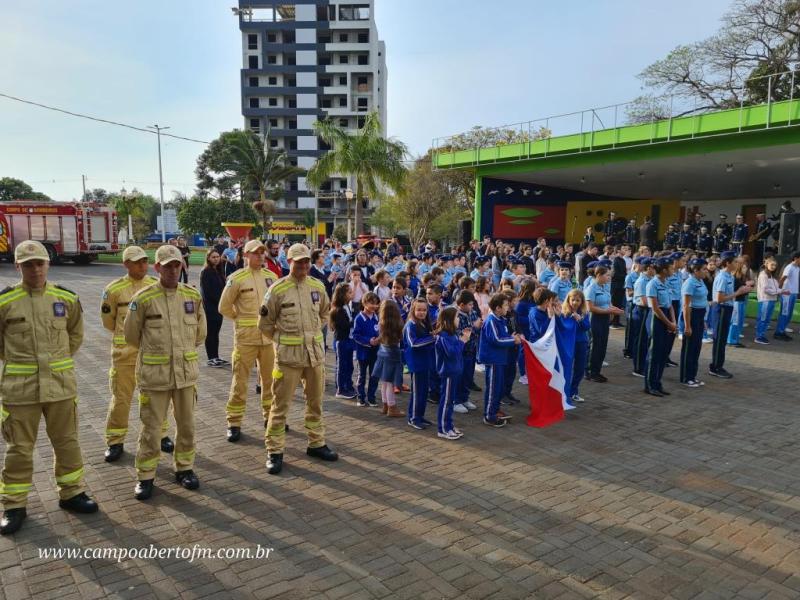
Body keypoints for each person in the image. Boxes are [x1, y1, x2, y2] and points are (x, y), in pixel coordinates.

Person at [0, 241, 98, 535]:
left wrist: (55, 361)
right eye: (28, 264)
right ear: (18, 266)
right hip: (20, 389)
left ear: (48, 264)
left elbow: (75, 335)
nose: (36, 269)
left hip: (59, 386)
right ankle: (14, 504)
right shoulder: (5, 302)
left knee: (67, 441)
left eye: (40, 263)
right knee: (18, 448)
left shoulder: (65, 298)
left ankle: (72, 493)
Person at [124, 244, 207, 500]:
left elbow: (200, 333)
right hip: (155, 376)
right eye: (167, 266)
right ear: (157, 267)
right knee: (151, 429)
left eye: (176, 265)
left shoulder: (192, 296)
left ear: (182, 266)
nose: (172, 270)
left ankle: (184, 468)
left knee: (187, 426)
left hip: (184, 374)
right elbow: (131, 335)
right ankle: (146, 475)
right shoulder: (143, 299)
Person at [258, 243, 337, 475]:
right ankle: (274, 451)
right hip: (288, 359)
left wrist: (312, 333)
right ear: (289, 262)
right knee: (280, 406)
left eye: (306, 261)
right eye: (298, 261)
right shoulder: (277, 290)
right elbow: (265, 324)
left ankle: (316, 443)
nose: (303, 265)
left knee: (316, 403)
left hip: (314, 357)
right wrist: (282, 340)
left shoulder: (316, 285)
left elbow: (325, 312)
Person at [101, 246, 173, 463]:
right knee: (121, 399)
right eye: (136, 262)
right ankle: (115, 440)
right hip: (124, 355)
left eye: (144, 261)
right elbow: (109, 322)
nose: (142, 265)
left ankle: (161, 435)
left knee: (156, 399)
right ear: (126, 264)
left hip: (152, 354)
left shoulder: (155, 285)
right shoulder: (114, 290)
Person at [218, 239, 278, 443]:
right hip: (245, 339)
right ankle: (234, 422)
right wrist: (240, 319)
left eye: (262, 252)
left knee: (270, 381)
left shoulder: (272, 277)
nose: (260, 256)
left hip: (268, 339)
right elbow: (224, 306)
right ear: (246, 255)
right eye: (255, 253)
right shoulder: (236, 278)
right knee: (240, 382)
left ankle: (270, 416)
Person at [477, 294, 521, 427]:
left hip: (500, 359)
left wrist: (510, 336)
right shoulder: (491, 320)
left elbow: (502, 336)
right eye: (506, 305)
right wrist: (513, 340)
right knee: (493, 388)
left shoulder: (500, 319)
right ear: (497, 308)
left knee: (499, 386)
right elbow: (496, 340)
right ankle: (489, 415)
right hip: (493, 359)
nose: (508, 308)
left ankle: (495, 409)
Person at [709, 251, 752, 379]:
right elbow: (720, 298)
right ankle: (715, 367)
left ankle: (718, 365)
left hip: (727, 308)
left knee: (722, 339)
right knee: (720, 339)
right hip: (721, 308)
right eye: (734, 261)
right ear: (727, 263)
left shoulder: (729, 276)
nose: (736, 264)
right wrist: (737, 293)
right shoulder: (722, 277)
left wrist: (742, 290)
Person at [643, 258, 677, 397]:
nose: (673, 270)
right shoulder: (653, 284)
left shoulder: (666, 282)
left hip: (667, 318)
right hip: (656, 320)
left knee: (663, 353)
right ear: (664, 270)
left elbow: (670, 305)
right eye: (671, 268)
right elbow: (655, 308)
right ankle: (650, 385)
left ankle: (658, 383)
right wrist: (669, 323)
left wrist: (673, 321)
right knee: (654, 354)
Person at [434, 307, 469, 440]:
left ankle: (449, 425)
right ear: (449, 320)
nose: (459, 320)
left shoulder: (452, 333)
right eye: (456, 317)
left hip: (454, 371)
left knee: (450, 400)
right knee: (446, 401)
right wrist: (462, 341)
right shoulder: (443, 335)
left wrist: (461, 339)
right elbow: (452, 352)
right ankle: (443, 428)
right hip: (448, 372)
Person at [585, 266, 625, 382]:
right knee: (595, 345)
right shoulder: (591, 288)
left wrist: (615, 309)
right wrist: (609, 311)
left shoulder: (604, 287)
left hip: (604, 319)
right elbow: (590, 307)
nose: (609, 277)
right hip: (595, 319)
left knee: (602, 345)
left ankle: (597, 371)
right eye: (607, 275)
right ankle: (590, 372)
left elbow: (607, 303)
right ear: (599, 275)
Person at [403, 298, 435, 429]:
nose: (422, 312)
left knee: (423, 391)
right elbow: (414, 343)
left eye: (424, 310)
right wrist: (432, 338)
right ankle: (414, 418)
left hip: (425, 362)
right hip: (416, 364)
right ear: (413, 310)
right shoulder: (410, 324)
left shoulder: (424, 323)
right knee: (417, 392)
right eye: (419, 310)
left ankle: (420, 415)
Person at [680, 258, 709, 387]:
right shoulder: (690, 283)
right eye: (703, 269)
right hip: (692, 316)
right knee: (689, 348)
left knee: (696, 347)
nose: (706, 271)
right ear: (695, 270)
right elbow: (686, 306)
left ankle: (692, 375)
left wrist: (703, 321)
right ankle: (686, 377)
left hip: (699, 316)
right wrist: (687, 325)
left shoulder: (700, 281)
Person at [375, 300, 405, 417]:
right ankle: (392, 407)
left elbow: (380, 337)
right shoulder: (397, 324)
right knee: (390, 382)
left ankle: (385, 405)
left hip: (382, 352)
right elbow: (400, 338)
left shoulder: (381, 323)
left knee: (384, 382)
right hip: (392, 353)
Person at [561, 289, 591, 404]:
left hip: (581, 342)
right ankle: (564, 391)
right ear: (568, 300)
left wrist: (580, 320)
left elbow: (587, 326)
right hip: (568, 344)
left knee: (580, 368)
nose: (575, 302)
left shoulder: (584, 312)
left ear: (582, 301)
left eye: (577, 300)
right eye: (572, 300)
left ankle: (573, 391)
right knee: (566, 367)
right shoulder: (564, 312)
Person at [200, 248, 228, 367]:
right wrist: (219, 300)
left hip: (218, 307)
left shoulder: (219, 271)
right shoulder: (206, 272)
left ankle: (215, 356)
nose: (216, 259)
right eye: (213, 257)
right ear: (208, 259)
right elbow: (207, 292)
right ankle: (211, 357)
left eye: (217, 257)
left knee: (216, 333)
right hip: (210, 308)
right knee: (210, 333)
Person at [454, 291, 481, 414]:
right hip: (461, 351)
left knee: (468, 376)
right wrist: (474, 327)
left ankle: (465, 398)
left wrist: (479, 326)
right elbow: (461, 333)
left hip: (471, 350)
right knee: (459, 377)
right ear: (461, 304)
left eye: (472, 304)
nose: (472, 307)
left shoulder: (473, 313)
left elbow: (476, 329)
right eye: (469, 305)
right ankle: (456, 401)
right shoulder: (455, 316)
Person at [330, 283, 357, 400]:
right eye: (349, 292)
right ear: (342, 295)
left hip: (348, 340)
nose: (352, 294)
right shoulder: (338, 310)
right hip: (341, 341)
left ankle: (348, 385)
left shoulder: (347, 306)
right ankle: (341, 389)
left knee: (349, 365)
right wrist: (354, 322)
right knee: (342, 366)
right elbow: (344, 325)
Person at [353, 292, 380, 407]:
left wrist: (379, 338)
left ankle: (371, 397)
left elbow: (378, 331)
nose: (374, 306)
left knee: (374, 376)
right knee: (362, 376)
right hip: (362, 353)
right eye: (371, 303)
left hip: (375, 352)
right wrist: (369, 341)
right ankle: (361, 397)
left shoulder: (376, 317)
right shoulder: (359, 318)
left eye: (376, 304)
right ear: (364, 303)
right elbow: (356, 336)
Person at [726, 256, 754, 348]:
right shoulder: (734, 277)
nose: (746, 268)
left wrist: (748, 287)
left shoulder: (742, 277)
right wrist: (745, 286)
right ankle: (731, 340)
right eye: (744, 266)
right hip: (736, 302)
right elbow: (735, 290)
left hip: (741, 301)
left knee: (740, 321)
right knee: (735, 321)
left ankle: (735, 339)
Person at [755, 257, 783, 345]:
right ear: (766, 264)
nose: (774, 266)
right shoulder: (763, 275)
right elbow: (765, 289)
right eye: (772, 264)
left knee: (766, 319)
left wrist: (779, 291)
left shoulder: (772, 275)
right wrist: (779, 291)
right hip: (765, 300)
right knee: (763, 318)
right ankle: (759, 336)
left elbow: (774, 288)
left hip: (771, 299)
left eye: (775, 265)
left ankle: (761, 335)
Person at [514, 280, 537, 385]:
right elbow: (518, 320)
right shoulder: (521, 304)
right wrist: (531, 319)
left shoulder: (533, 302)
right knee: (523, 352)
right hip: (524, 331)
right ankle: (523, 374)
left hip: (532, 331)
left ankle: (530, 372)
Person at [774, 251, 800, 341]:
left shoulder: (797, 268)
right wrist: (779, 291)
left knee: (789, 314)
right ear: (796, 258)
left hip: (793, 294)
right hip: (786, 294)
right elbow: (782, 279)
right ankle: (778, 333)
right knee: (784, 313)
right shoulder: (789, 267)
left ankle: (782, 330)